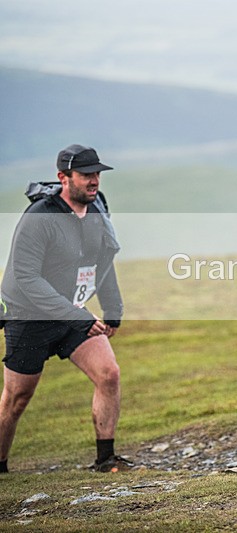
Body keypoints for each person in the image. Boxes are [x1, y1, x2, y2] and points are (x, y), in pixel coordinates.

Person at [0, 144, 132, 473]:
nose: (94, 181)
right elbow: (26, 279)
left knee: (109, 373)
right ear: (64, 178)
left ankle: (106, 460)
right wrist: (79, 315)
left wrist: (112, 307)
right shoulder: (39, 218)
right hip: (28, 318)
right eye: (86, 175)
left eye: (97, 174)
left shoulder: (98, 207)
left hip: (73, 314)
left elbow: (103, 258)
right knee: (17, 399)